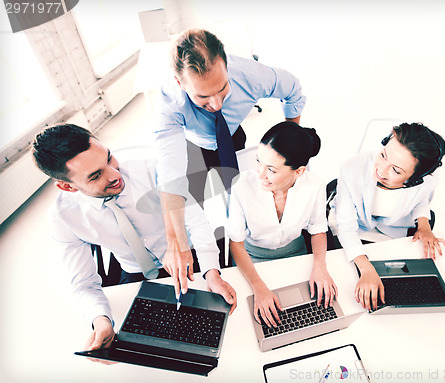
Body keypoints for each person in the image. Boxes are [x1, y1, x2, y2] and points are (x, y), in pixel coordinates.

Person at [32, 124, 237, 351]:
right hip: (134, 272)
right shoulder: (63, 218)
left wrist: (212, 273)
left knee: (220, 332)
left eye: (109, 158)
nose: (115, 175)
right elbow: (83, 283)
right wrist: (101, 321)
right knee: (142, 344)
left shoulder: (153, 170)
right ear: (67, 187)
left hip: (191, 257)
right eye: (96, 175)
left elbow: (197, 221)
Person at [154, 29, 307, 298]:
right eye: (202, 97)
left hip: (232, 135)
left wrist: (289, 142)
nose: (216, 103)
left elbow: (293, 90)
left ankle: (244, 241)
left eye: (222, 88)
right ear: (180, 84)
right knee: (197, 211)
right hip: (194, 146)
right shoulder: (170, 104)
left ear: (227, 66)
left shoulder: (251, 75)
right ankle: (214, 259)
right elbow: (170, 175)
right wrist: (175, 240)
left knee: (246, 194)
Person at [227, 121, 338, 328]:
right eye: (258, 161)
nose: (260, 174)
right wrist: (258, 287)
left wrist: (320, 266)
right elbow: (236, 244)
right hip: (251, 259)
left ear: (299, 171)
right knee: (253, 320)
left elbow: (318, 230)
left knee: (311, 312)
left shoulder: (315, 186)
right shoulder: (242, 186)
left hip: (295, 254)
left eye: (271, 169)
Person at [330, 122, 445, 311]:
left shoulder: (427, 181)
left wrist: (423, 225)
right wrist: (367, 269)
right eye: (383, 155)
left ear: (416, 179)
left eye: (396, 170)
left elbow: (421, 201)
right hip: (355, 227)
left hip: (392, 232)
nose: (382, 170)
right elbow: (345, 225)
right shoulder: (352, 168)